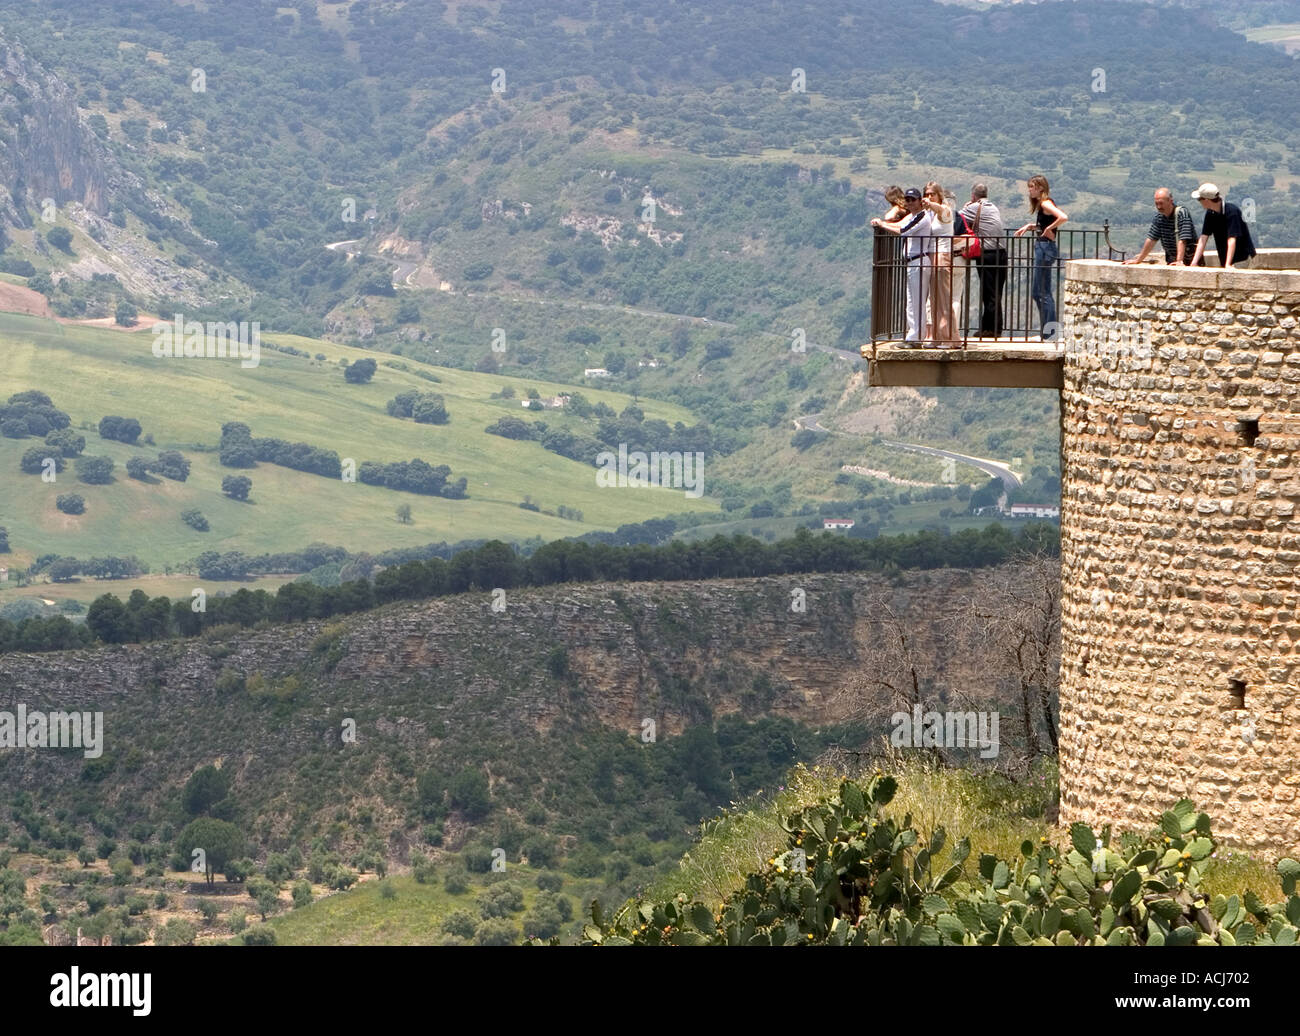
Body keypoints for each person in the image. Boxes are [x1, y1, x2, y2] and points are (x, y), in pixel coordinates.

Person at [871, 188, 931, 344]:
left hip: (919, 262)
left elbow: (904, 231)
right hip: (913, 262)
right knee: (911, 301)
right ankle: (913, 335)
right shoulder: (913, 216)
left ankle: (917, 337)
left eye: (913, 199)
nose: (910, 203)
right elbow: (899, 223)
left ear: (920, 201)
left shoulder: (922, 216)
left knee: (917, 301)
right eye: (908, 200)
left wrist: (882, 225)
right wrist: (883, 222)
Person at [1014, 175, 1068, 333]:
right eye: (1029, 187)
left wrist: (1049, 229)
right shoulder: (1043, 204)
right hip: (1043, 247)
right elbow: (1046, 222)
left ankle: (1050, 333)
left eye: (1032, 187)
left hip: (1045, 248)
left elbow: (1063, 217)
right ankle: (1048, 332)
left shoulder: (1045, 202)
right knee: (1039, 292)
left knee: (1042, 292)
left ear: (1041, 188)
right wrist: (1032, 226)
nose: (1030, 190)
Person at [959, 184, 1006, 338]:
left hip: (988, 253)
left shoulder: (973, 207)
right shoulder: (993, 207)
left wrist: (967, 206)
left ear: (973, 196)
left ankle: (991, 330)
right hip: (1002, 252)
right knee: (996, 291)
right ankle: (993, 327)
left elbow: (953, 218)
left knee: (989, 292)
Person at [1123, 188, 1199, 266]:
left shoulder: (1181, 213)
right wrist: (1138, 260)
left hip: (1189, 261)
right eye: (1156, 204)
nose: (1159, 207)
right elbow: (1151, 239)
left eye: (1161, 203)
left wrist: (1179, 260)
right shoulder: (1159, 218)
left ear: (1170, 201)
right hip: (1172, 261)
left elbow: (1183, 239)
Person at [921, 182, 957, 347]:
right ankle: (937, 336)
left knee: (943, 298)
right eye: (927, 194)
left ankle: (950, 338)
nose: (929, 197)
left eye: (932, 194)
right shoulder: (931, 214)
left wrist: (931, 204)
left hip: (942, 256)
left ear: (939, 195)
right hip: (933, 256)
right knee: (934, 299)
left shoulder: (945, 210)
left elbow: (941, 210)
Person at [1188, 183, 1256, 269]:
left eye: (1199, 199)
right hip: (1226, 259)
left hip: (1241, 258)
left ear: (1206, 200)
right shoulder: (1210, 213)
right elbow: (1203, 238)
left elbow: (1232, 239)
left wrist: (1228, 264)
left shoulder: (1232, 211)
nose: (1199, 202)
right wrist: (1194, 263)